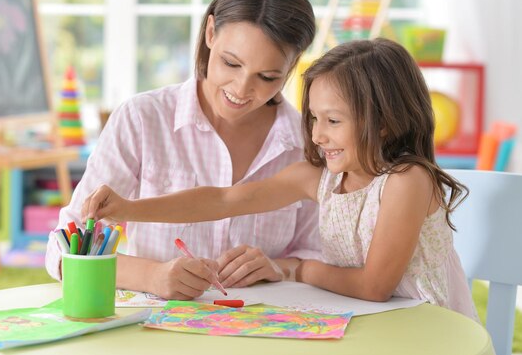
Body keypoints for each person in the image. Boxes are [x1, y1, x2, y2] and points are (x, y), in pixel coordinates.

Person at [84, 38, 478, 320]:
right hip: (370, 321)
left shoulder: (406, 180)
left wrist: (295, 268)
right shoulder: (318, 177)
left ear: (385, 124)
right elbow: (224, 200)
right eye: (313, 119)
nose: (317, 135)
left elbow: (375, 286)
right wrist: (129, 207)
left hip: (428, 328)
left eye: (333, 121)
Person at [45, 0, 321, 300]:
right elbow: (63, 252)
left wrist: (280, 267)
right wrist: (152, 276)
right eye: (230, 63)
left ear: (291, 67)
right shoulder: (143, 119)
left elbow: (321, 254)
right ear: (210, 33)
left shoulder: (309, 143)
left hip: (261, 329)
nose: (242, 89)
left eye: (267, 77)